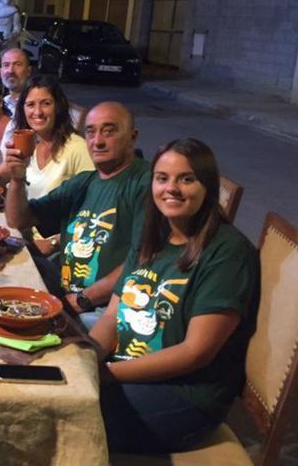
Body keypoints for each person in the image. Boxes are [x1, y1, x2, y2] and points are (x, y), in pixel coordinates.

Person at [90, 138, 259, 454]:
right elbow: (112, 316)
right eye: (162, 178)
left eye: (187, 179)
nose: (172, 188)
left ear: (207, 186)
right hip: (129, 371)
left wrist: (106, 374)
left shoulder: (228, 252)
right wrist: (88, 358)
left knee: (68, 419)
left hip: (185, 397)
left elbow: (196, 352)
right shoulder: (151, 239)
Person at [3, 102, 151, 318]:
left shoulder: (145, 183)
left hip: (106, 307)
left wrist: (82, 300)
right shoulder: (85, 182)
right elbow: (18, 219)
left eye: (109, 132)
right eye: (91, 132)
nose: (97, 141)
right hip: (65, 288)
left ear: (132, 137)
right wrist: (17, 177)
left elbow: (142, 260)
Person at [0, 75, 95, 255]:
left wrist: (55, 240)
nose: (37, 112)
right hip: (19, 236)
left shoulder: (77, 148)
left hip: (52, 250)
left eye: (46, 103)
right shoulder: (27, 143)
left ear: (58, 107)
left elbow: (94, 210)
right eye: (31, 105)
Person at [0, 47, 33, 116]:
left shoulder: (36, 103)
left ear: (29, 71)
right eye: (6, 65)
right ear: (1, 71)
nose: (10, 71)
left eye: (18, 64)